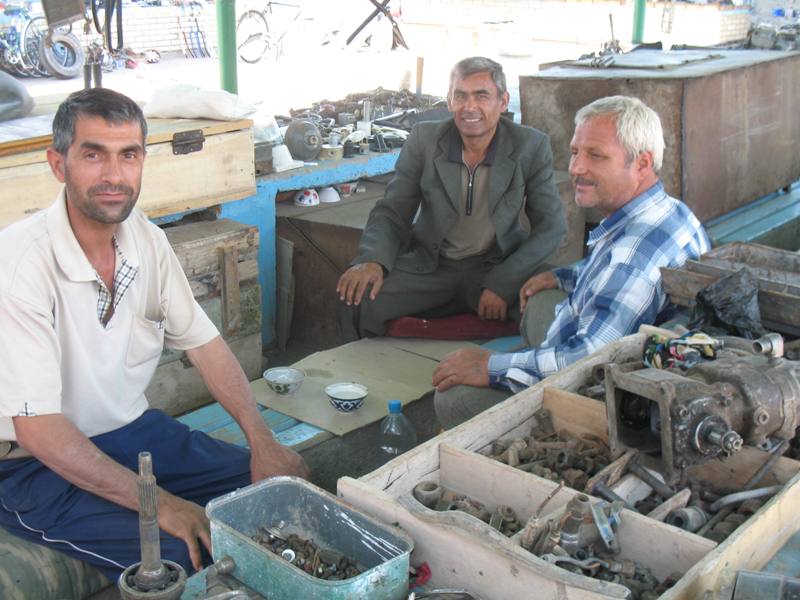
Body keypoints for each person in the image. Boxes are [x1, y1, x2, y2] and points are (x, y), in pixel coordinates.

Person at [0, 88, 309, 579]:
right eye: (93, 155)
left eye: (129, 155)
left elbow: (206, 346)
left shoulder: (146, 240)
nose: (113, 175)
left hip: (131, 432)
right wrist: (159, 503)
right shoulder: (18, 263)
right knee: (180, 551)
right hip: (32, 462)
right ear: (58, 164)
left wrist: (261, 438)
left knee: (279, 492)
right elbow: (38, 430)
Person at [432, 95, 711, 429]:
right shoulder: (668, 210)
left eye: (596, 156)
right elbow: (611, 277)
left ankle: (526, 406)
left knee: (454, 397)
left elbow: (589, 361)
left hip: (604, 395)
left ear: (642, 164)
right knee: (541, 298)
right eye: (576, 151)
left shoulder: (632, 256)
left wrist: (490, 365)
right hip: (631, 340)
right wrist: (563, 277)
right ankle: (532, 357)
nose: (577, 167)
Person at [337, 56, 565, 341]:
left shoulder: (530, 146)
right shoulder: (425, 139)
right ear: (449, 101)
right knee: (356, 296)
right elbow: (393, 211)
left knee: (552, 310)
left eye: (482, 96)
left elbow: (551, 227)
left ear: (503, 102)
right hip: (433, 267)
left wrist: (502, 284)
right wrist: (373, 260)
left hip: (497, 265)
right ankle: (357, 379)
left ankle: (518, 379)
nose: (470, 107)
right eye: (461, 96)